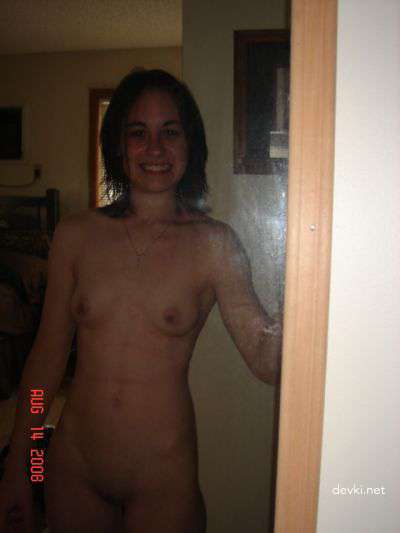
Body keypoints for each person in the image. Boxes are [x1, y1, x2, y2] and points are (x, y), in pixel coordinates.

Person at [0, 69, 282, 533]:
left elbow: (265, 359)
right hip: (72, 469)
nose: (154, 148)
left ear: (190, 144)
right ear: (117, 144)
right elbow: (45, 363)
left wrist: (317, 296)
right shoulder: (75, 235)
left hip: (163, 481)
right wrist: (22, 468)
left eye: (170, 132)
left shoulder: (215, 244)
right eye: (138, 132)